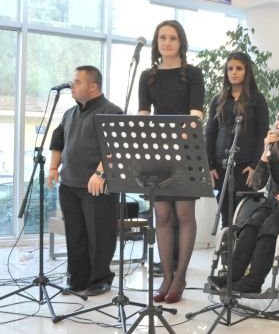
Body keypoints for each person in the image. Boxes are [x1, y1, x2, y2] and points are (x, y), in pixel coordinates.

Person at [209, 104, 279, 293]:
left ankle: (253, 282)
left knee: (269, 229)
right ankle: (232, 276)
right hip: (273, 203)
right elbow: (256, 184)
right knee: (250, 226)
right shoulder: (273, 150)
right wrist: (266, 151)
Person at [138, 19, 205, 304]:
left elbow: (196, 113)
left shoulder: (193, 74)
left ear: (181, 43)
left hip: (186, 150)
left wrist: (177, 137)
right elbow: (144, 114)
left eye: (172, 38)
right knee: (162, 215)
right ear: (156, 43)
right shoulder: (147, 76)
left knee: (184, 214)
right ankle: (166, 277)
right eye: (162, 38)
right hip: (157, 152)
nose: (167, 42)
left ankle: (180, 278)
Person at [47, 65, 122, 296]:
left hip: (96, 185)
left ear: (93, 86)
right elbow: (58, 142)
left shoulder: (112, 112)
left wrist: (100, 173)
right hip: (69, 185)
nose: (72, 85)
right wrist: (53, 168)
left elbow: (114, 147)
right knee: (75, 235)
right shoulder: (69, 113)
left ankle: (100, 280)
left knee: (99, 235)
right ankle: (77, 279)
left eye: (77, 82)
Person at [205, 51, 269, 229]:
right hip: (221, 165)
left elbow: (263, 134)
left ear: (247, 71)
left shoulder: (257, 99)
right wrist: (209, 165)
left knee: (242, 216)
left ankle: (240, 246)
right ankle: (226, 246)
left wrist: (255, 165)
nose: (233, 72)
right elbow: (210, 132)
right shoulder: (218, 100)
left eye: (239, 68)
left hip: (246, 166)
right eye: (230, 69)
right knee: (225, 216)